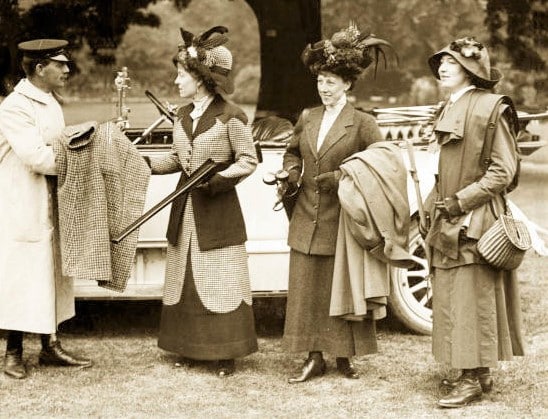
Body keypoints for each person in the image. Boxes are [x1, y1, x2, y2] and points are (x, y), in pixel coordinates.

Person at [282, 24, 392, 383]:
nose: (323, 87)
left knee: (341, 287)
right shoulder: (307, 116)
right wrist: (291, 173)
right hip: (306, 215)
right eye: (320, 80)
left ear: (347, 84)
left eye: (330, 81)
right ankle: (313, 356)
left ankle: (344, 356)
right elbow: (292, 152)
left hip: (344, 220)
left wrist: (341, 177)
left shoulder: (363, 123)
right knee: (308, 288)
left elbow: (381, 167)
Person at [145, 26, 258, 377]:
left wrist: (216, 180)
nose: (177, 81)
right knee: (187, 278)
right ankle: (189, 347)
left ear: (201, 79)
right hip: (185, 210)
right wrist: (145, 164)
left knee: (220, 278)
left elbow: (248, 159)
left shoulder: (231, 116)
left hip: (218, 210)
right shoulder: (180, 116)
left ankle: (225, 352)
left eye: (181, 74)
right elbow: (179, 159)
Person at [424, 37, 525, 408]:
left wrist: (461, 202)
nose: (443, 67)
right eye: (440, 62)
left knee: (471, 297)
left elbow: (503, 171)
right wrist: (431, 206)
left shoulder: (488, 107)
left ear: (471, 69)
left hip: (474, 219)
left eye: (450, 62)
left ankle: (470, 377)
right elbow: (443, 169)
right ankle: (477, 373)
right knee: (454, 296)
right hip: (447, 216)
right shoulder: (450, 106)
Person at [0, 39, 93, 379]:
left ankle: (50, 346)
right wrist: (84, 160)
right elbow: (37, 157)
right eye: (61, 64)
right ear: (40, 69)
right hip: (20, 202)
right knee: (21, 275)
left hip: (50, 199)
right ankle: (12, 353)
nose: (67, 70)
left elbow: (59, 144)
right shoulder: (15, 106)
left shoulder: (50, 102)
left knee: (51, 273)